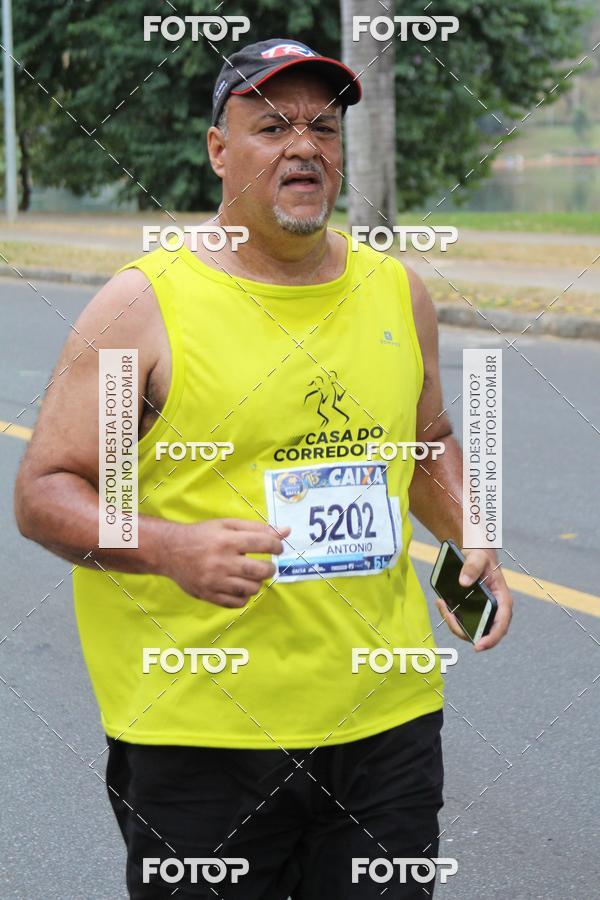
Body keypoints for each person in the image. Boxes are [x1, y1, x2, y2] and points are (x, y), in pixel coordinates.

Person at [14, 38, 513, 899]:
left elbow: (427, 441)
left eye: (324, 126)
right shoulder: (147, 307)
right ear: (218, 150)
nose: (304, 145)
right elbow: (48, 490)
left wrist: (475, 532)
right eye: (272, 125)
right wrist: (170, 549)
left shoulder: (396, 291)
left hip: (385, 724)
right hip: (199, 739)